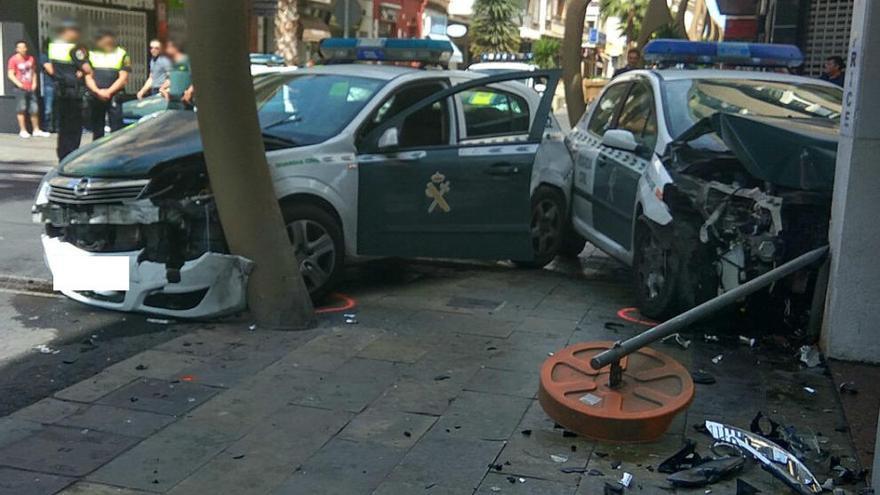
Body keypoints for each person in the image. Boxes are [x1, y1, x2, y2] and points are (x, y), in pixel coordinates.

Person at [44, 21, 92, 160]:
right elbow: (87, 68)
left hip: (60, 90)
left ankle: (62, 155)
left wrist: (60, 77)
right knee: (74, 128)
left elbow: (48, 66)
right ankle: (71, 155)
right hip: (73, 92)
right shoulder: (76, 48)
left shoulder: (53, 45)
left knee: (63, 128)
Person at [84, 31, 130, 139]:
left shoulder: (121, 53)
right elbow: (87, 76)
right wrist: (97, 91)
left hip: (114, 96)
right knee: (97, 129)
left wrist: (108, 92)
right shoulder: (91, 53)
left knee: (116, 129)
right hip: (96, 95)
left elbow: (123, 78)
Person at [7, 40, 49, 138]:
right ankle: (23, 130)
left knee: (34, 109)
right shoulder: (13, 60)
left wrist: (34, 83)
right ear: (16, 49)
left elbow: (33, 72)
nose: (23, 49)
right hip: (20, 88)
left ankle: (36, 129)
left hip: (30, 87)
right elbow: (10, 74)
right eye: (20, 47)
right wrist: (19, 84)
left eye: (24, 47)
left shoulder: (31, 58)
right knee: (21, 108)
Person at [159, 38, 194, 106]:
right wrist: (162, 88)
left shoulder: (187, 60)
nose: (167, 50)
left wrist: (190, 91)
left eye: (169, 47)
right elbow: (171, 79)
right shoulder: (173, 63)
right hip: (173, 99)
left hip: (185, 99)